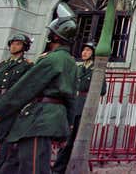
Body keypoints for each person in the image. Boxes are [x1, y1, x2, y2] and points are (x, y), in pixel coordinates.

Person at [0, 2, 78, 174]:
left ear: (55, 37)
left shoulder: (52, 60)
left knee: (33, 167)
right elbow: (71, 98)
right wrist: (67, 125)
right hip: (46, 119)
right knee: (13, 163)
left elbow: (23, 89)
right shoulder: (70, 62)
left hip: (38, 118)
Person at [0, 34, 34, 173]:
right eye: (12, 43)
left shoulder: (27, 65)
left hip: (10, 106)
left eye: (18, 44)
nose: (14, 46)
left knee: (5, 142)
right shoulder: (2, 65)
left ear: (24, 47)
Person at [53, 41, 107, 174]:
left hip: (84, 107)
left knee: (76, 140)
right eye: (84, 50)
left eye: (88, 50)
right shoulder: (77, 68)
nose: (85, 53)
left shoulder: (96, 70)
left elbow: (102, 89)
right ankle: (58, 169)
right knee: (67, 140)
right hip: (72, 106)